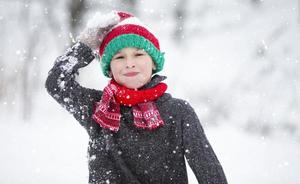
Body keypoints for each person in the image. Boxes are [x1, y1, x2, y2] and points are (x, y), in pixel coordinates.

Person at [45, 11, 227, 184]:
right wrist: (84, 46)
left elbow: (209, 172)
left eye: (139, 54)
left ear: (154, 62)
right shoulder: (98, 109)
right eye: (119, 57)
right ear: (109, 68)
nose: (130, 64)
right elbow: (56, 83)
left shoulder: (178, 112)